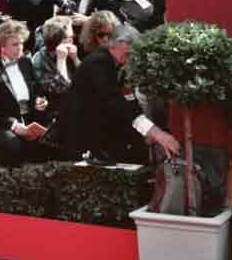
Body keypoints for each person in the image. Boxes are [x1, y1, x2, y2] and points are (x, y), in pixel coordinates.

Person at [65, 24, 180, 163]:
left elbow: (129, 99)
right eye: (130, 51)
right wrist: (154, 132)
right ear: (120, 43)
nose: (132, 56)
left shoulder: (120, 64)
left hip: (106, 137)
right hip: (81, 139)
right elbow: (114, 101)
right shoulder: (98, 62)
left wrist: (147, 131)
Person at [0, 20, 49, 167]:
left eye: (22, 43)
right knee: (14, 147)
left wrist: (39, 100)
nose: (20, 48)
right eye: (15, 44)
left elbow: (36, 89)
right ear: (1, 46)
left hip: (27, 120)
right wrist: (15, 126)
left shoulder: (25, 63)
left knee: (47, 145)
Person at [31, 16, 79, 119]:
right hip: (55, 113)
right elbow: (62, 89)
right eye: (70, 38)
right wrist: (61, 61)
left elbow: (87, 80)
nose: (73, 39)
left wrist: (75, 59)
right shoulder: (40, 60)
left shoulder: (71, 53)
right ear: (59, 40)